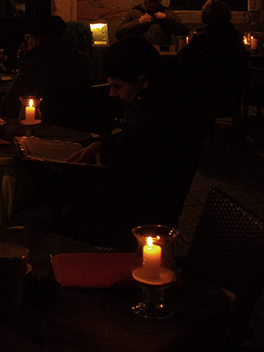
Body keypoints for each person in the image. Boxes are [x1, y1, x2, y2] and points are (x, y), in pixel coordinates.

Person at [49, 36, 208, 247]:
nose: (111, 93)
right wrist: (103, 143)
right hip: (129, 201)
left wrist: (73, 174)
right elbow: (129, 137)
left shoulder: (164, 118)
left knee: (52, 219)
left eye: (117, 86)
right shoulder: (155, 99)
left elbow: (132, 175)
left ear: (143, 81)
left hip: (134, 216)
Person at [0, 16, 94, 127]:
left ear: (36, 39)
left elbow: (11, 103)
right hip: (80, 121)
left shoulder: (36, 62)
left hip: (46, 122)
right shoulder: (81, 58)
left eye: (28, 38)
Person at [176, 0, 248, 118]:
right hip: (229, 91)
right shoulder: (236, 37)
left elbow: (182, 59)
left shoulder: (201, 38)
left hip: (202, 90)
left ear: (205, 16)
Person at [115, 0, 190, 48]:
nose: (152, 4)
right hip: (138, 55)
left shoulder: (166, 12)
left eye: (155, 1)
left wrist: (166, 18)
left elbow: (184, 31)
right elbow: (119, 34)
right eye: (149, 1)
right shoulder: (135, 12)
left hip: (160, 55)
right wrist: (138, 22)